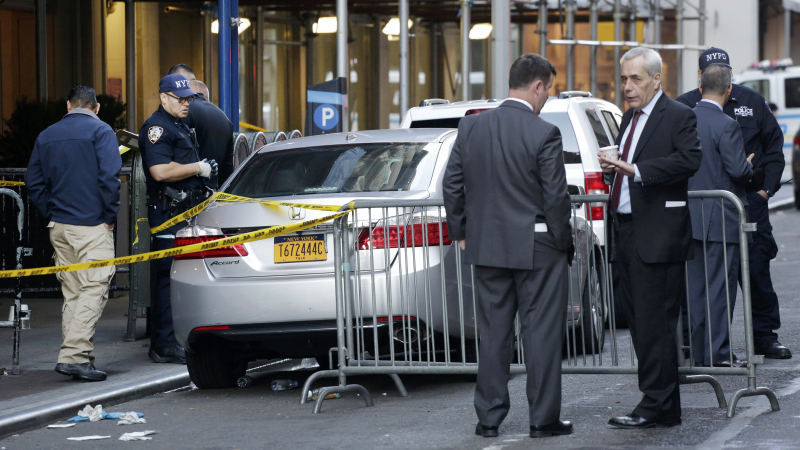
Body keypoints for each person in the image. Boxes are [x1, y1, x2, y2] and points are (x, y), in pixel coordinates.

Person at [443, 53, 575, 439]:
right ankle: (543, 418)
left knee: (493, 334)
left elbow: (453, 185)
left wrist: (462, 231)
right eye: (547, 89)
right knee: (541, 336)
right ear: (537, 86)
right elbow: (556, 197)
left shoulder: (471, 129)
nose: (547, 96)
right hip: (538, 246)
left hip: (487, 247)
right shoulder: (544, 133)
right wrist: (562, 241)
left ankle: (488, 419)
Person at [599, 47, 702, 428]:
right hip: (626, 232)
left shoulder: (678, 115)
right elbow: (628, 172)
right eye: (624, 79)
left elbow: (690, 160)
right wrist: (614, 172)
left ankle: (653, 405)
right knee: (641, 325)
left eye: (635, 78)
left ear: (657, 79)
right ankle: (665, 408)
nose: (627, 86)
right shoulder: (629, 118)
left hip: (658, 235)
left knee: (655, 324)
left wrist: (636, 169)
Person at [676, 48, 791, 360]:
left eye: (723, 68)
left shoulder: (752, 102)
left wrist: (765, 192)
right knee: (702, 281)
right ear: (700, 76)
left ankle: (764, 336)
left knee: (755, 271)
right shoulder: (685, 106)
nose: (720, 73)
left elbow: (774, 149)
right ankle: (695, 340)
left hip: (748, 203)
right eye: (713, 69)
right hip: (706, 208)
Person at [25, 86, 121, 382]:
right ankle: (74, 356)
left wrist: (51, 212)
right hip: (92, 225)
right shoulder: (102, 131)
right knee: (95, 288)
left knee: (74, 292)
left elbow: (33, 181)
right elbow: (109, 177)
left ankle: (79, 357)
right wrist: (109, 216)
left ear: (68, 105)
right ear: (97, 107)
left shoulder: (47, 135)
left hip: (60, 226)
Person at [139, 74, 217, 364]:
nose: (186, 104)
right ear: (163, 98)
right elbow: (159, 171)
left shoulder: (179, 124)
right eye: (180, 99)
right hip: (169, 216)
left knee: (182, 278)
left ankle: (176, 339)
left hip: (185, 215)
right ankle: (163, 344)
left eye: (188, 99)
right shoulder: (158, 128)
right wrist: (197, 168)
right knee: (167, 281)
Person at [686, 64, 753, 368]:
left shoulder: (683, 119)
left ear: (700, 87)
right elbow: (738, 170)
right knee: (720, 290)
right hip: (720, 218)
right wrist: (748, 164)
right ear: (729, 90)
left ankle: (702, 353)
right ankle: (719, 354)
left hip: (688, 217)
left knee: (697, 291)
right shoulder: (727, 124)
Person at [166, 64, 235, 186]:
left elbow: (168, 155)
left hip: (184, 195)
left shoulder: (181, 113)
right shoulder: (224, 119)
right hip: (213, 195)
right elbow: (227, 169)